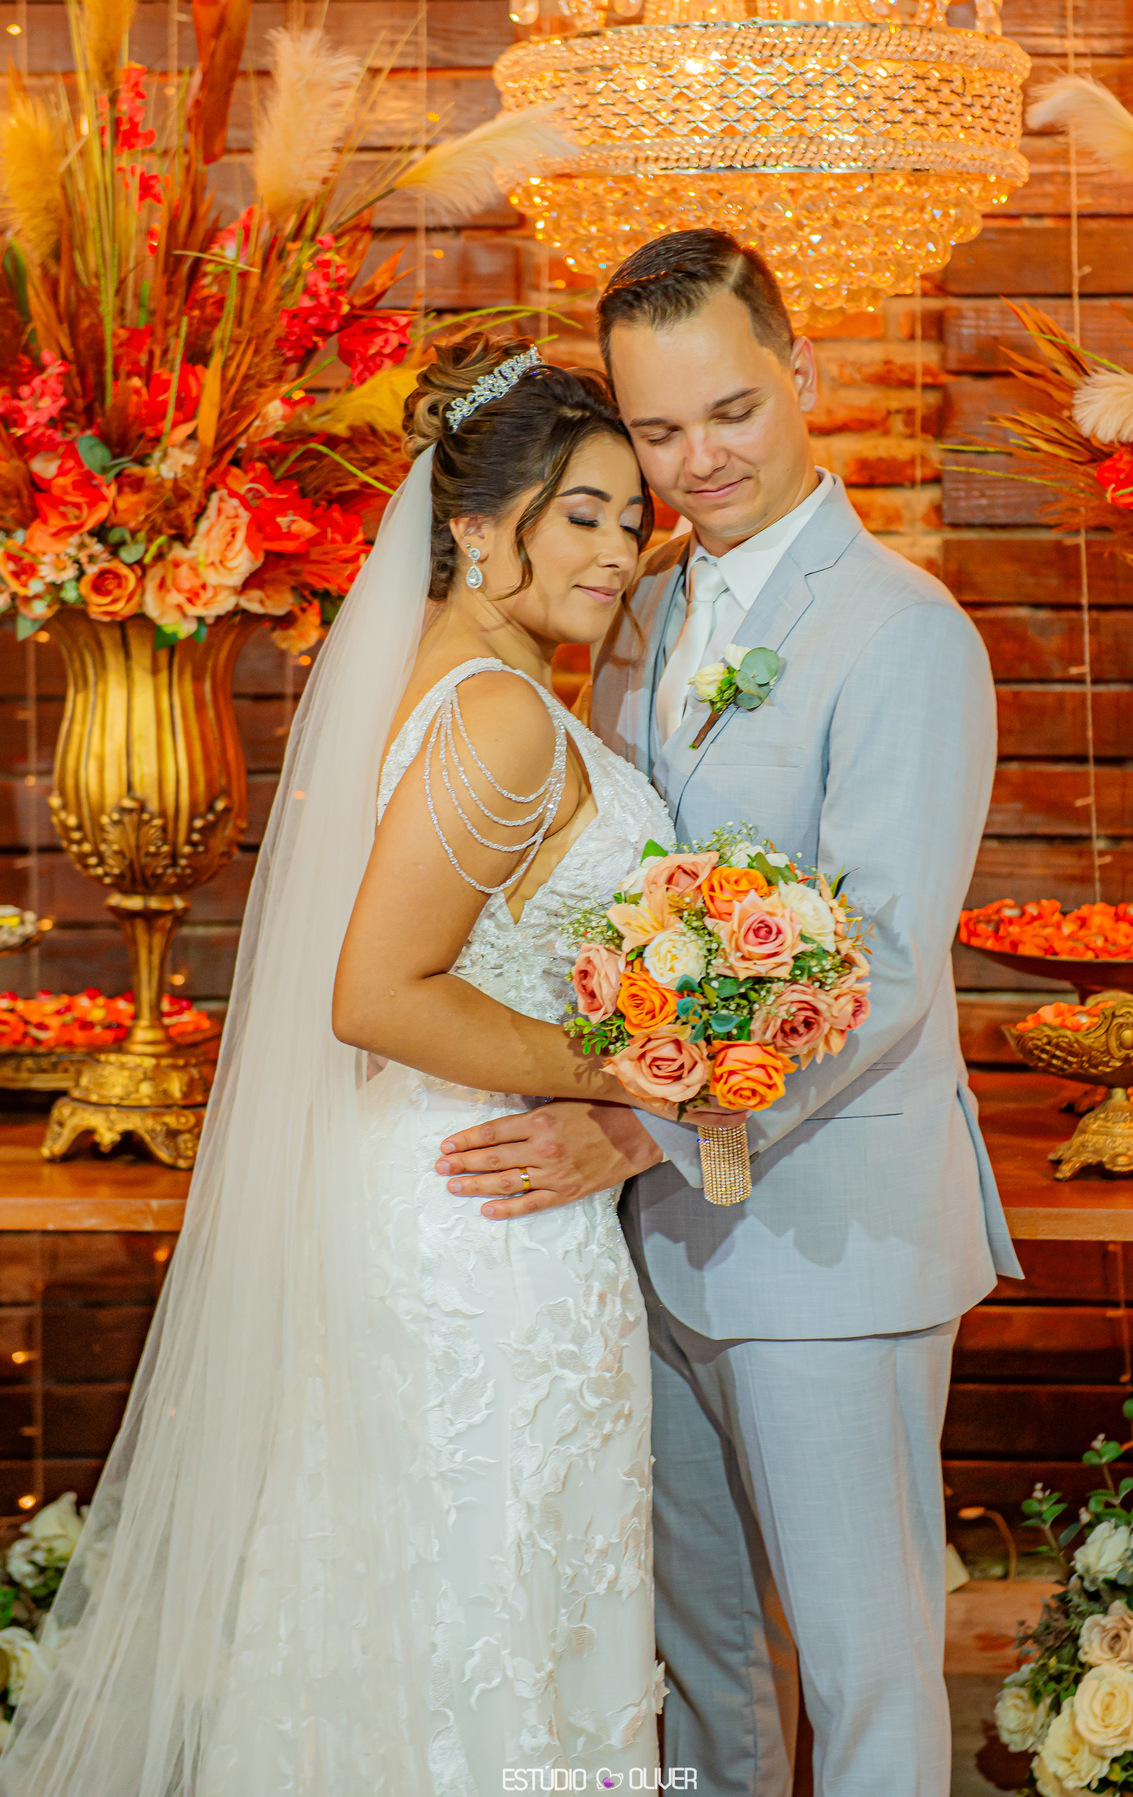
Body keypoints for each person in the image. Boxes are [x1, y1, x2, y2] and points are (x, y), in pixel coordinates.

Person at [0, 336, 739, 1797]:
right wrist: (627, 1073)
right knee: (487, 1611)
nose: (617, 550)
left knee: (418, 1611)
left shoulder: (453, 684)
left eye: (630, 519)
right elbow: (377, 992)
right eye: (581, 514)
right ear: (475, 527)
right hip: (484, 1223)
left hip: (442, 1191)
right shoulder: (500, 714)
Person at [430, 229, 1025, 1797]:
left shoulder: (906, 629)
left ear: (801, 373)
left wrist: (640, 1125)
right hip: (657, 1251)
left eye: (733, 412)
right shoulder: (636, 608)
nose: (699, 461)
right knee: (706, 1669)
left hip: (832, 1238)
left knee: (863, 1667)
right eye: (660, 429)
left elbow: (882, 963)